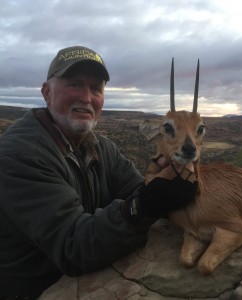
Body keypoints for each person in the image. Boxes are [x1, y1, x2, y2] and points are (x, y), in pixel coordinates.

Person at [0, 46, 197, 300]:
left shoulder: (103, 148)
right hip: (36, 290)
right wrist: (143, 205)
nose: (87, 97)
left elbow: (139, 189)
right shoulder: (18, 157)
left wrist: (163, 182)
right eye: (75, 84)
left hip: (87, 280)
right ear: (47, 93)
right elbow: (74, 245)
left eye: (96, 88)